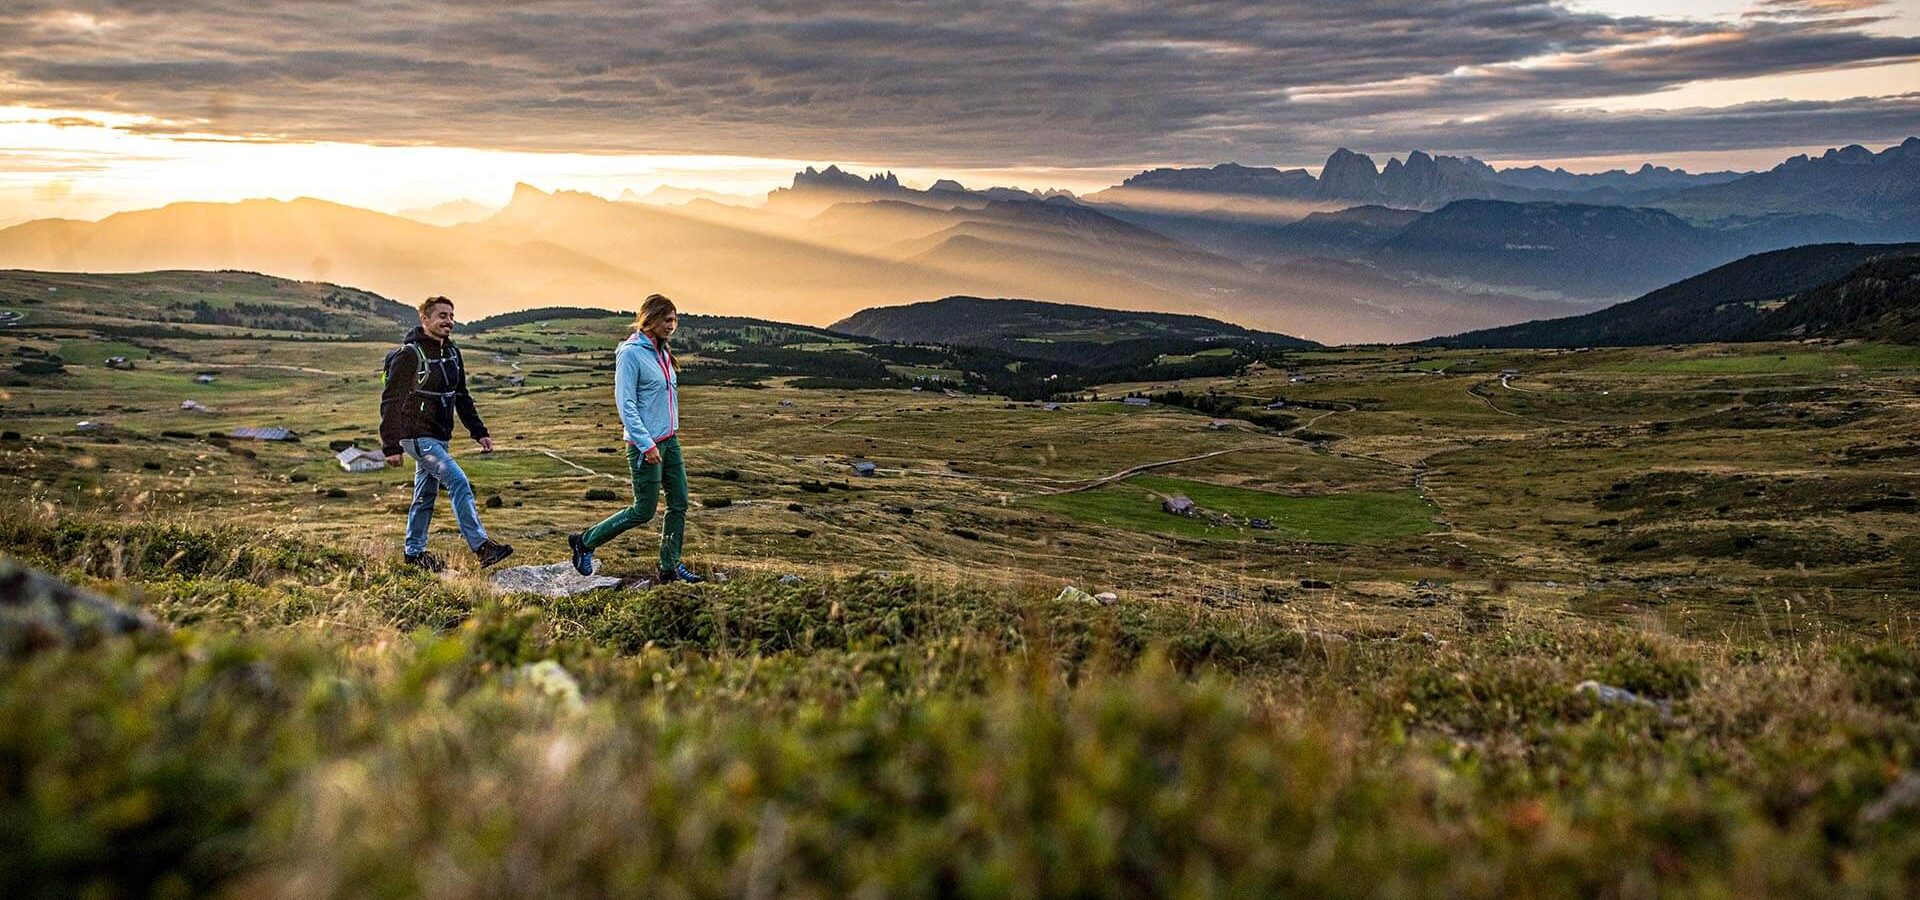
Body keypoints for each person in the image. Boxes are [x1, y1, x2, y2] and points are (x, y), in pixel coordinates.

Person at [568, 293, 703, 584]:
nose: (672, 325)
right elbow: (625, 403)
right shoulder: (631, 353)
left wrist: (666, 437)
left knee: (679, 502)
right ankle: (584, 542)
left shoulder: (663, 353)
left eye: (674, 320)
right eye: (667, 319)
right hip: (645, 445)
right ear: (650, 319)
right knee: (643, 510)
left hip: (670, 440)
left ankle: (669, 567)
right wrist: (646, 443)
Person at [379, 295, 513, 571]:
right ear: (424, 319)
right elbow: (390, 401)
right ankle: (482, 547)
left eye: (451, 316)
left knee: (425, 494)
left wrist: (479, 431)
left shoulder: (452, 353)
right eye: (442, 316)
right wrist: (391, 446)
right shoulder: (409, 355)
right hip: (416, 435)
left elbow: (461, 395)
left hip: (440, 435)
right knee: (458, 481)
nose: (448, 322)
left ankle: (414, 553)